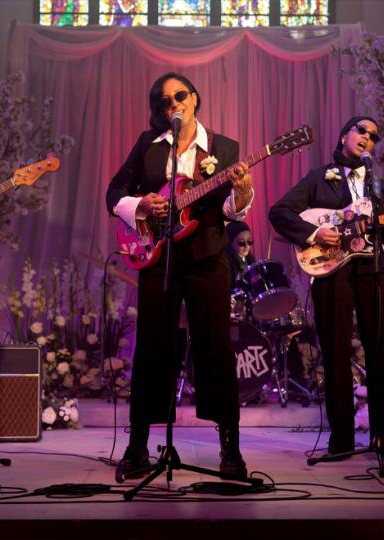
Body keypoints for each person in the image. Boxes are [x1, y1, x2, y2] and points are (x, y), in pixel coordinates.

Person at [106, 72, 254, 479]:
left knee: (216, 349)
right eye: (165, 100)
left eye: (181, 95)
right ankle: (137, 446)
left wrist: (241, 193)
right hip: (158, 258)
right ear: (160, 109)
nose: (175, 104)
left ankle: (230, 449)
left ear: (195, 98)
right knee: (152, 349)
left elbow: (230, 211)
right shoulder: (148, 146)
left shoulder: (224, 148)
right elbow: (113, 193)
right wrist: (141, 205)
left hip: (207, 257)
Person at [268, 116, 384, 457]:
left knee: (383, 349)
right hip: (332, 271)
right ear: (344, 134)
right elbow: (280, 212)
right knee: (335, 352)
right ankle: (341, 441)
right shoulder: (320, 178)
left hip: (374, 269)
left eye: (374, 136)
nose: (368, 138)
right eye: (362, 130)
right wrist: (314, 233)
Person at [224, 220, 256, 289]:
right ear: (230, 242)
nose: (247, 246)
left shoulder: (250, 259)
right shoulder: (225, 264)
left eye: (250, 241)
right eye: (241, 243)